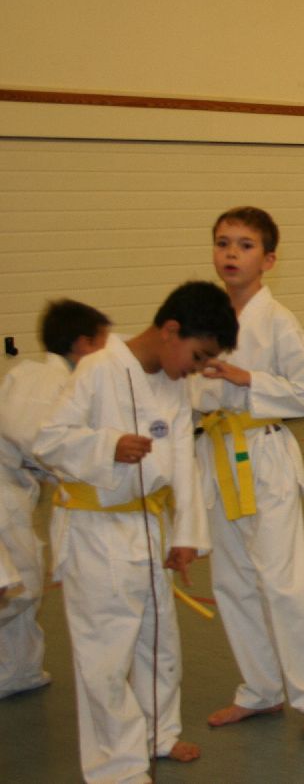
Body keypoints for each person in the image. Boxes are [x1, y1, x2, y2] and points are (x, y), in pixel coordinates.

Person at [34, 281, 237, 784]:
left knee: (158, 640)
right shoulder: (99, 368)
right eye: (198, 355)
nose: (197, 368)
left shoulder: (173, 384)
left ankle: (157, 734)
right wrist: (106, 446)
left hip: (148, 524)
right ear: (171, 330)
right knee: (105, 655)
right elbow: (49, 440)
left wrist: (185, 534)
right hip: (96, 529)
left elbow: (183, 460)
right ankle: (116, 767)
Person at [188, 207, 304, 734]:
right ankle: (260, 688)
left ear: (269, 259)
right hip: (214, 454)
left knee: (283, 583)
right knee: (232, 582)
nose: (231, 253)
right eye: (223, 242)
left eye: (245, 245)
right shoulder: (201, 318)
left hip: (264, 453)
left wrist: (246, 378)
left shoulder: (279, 321)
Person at [0, 299, 110, 700]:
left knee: (24, 585)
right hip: (4, 491)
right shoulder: (45, 380)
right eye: (101, 341)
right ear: (82, 343)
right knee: (20, 587)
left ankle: (19, 671)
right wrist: (73, 473)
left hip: (17, 489)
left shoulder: (39, 374)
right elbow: (33, 438)